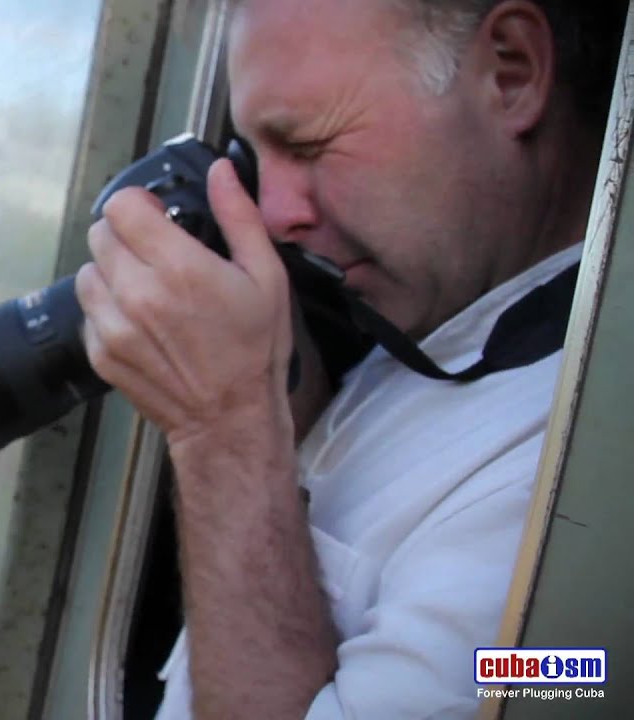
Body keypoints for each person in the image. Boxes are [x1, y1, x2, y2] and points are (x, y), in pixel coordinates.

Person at [74, 0, 625, 717]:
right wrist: (269, 387)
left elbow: (572, 675)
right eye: (255, 155)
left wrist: (223, 432)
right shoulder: (446, 310)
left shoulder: (584, 473)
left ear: (512, 73)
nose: (274, 214)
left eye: (305, 145)